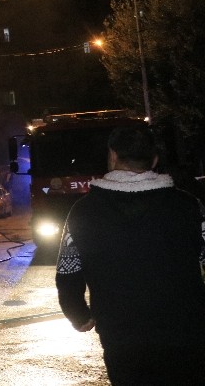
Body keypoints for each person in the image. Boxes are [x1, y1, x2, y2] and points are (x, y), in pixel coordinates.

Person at [55, 125, 205, 384]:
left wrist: (77, 313)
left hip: (120, 333)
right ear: (155, 160)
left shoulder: (83, 212)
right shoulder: (189, 206)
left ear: (112, 156)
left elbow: (68, 271)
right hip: (187, 332)